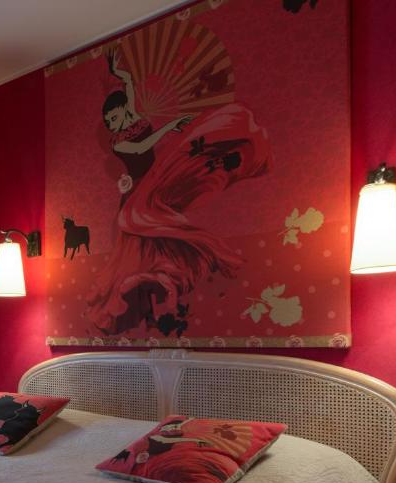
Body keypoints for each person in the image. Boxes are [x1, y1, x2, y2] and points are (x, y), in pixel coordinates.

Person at [85, 50, 270, 338]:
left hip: (156, 182)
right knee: (138, 256)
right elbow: (140, 146)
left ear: (123, 110)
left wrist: (121, 75)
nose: (112, 123)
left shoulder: (132, 117)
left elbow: (130, 91)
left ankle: (164, 290)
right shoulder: (120, 144)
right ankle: (150, 304)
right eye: (108, 122)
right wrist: (169, 127)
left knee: (159, 249)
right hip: (137, 195)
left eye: (114, 116)